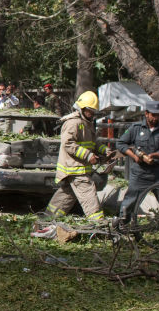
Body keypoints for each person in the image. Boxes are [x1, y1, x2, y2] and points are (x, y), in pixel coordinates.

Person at [45, 90, 112, 222]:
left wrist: (105, 150)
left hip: (79, 169)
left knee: (66, 196)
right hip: (75, 169)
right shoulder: (73, 123)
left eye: (93, 111)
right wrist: (88, 156)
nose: (92, 114)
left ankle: (46, 220)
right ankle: (98, 225)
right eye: (90, 111)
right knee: (89, 197)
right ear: (82, 108)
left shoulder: (87, 122)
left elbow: (94, 142)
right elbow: (68, 144)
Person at [116, 101, 159, 231]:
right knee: (130, 202)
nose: (155, 118)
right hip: (140, 173)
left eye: (158, 115)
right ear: (146, 114)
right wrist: (134, 156)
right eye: (153, 115)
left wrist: (155, 155)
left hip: (158, 173)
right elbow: (121, 144)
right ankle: (121, 227)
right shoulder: (136, 128)